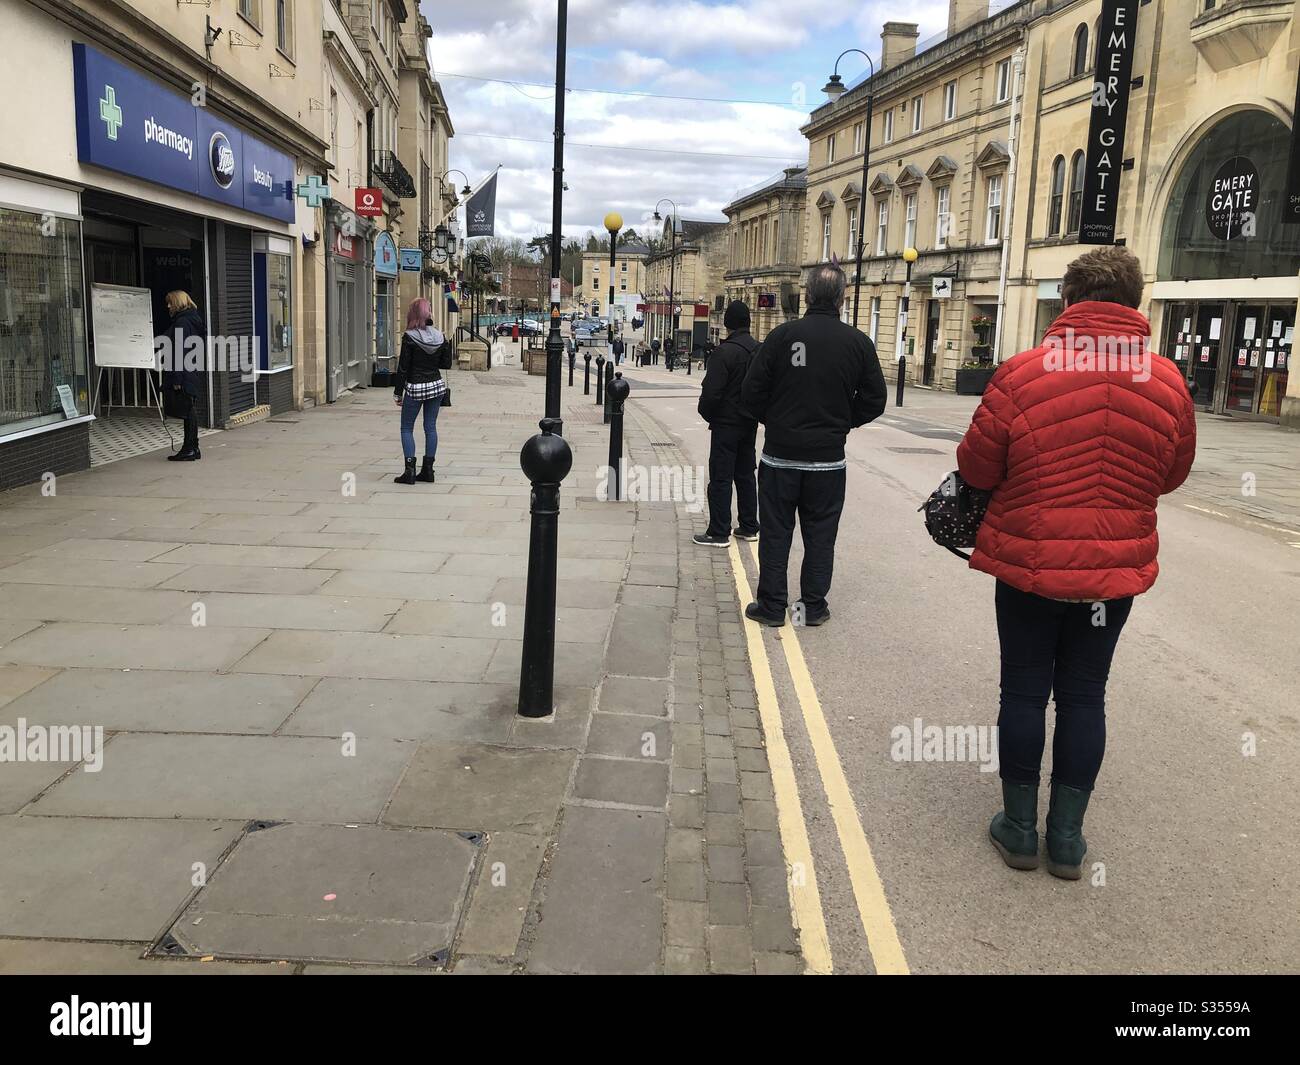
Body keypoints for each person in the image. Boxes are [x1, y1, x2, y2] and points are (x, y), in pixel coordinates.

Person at [956, 246, 1196, 880]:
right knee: (1086, 695)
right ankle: (1066, 838)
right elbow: (1171, 476)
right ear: (1136, 303)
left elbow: (977, 469)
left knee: (1025, 690)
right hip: (1110, 575)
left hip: (1030, 565)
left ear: (1067, 300)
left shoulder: (1021, 374)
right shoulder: (1169, 382)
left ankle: (1017, 829)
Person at [740, 262, 886, 627]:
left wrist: (775, 421)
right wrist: (842, 422)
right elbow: (875, 400)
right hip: (827, 462)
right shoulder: (858, 343)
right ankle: (811, 609)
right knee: (820, 537)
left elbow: (751, 392)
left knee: (776, 534)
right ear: (842, 297)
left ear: (806, 294)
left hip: (780, 457)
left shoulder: (781, 336)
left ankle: (772, 608)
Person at [693, 300, 759, 548]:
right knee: (745, 474)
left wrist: (710, 415)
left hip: (726, 424)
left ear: (727, 324)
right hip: (749, 423)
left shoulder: (724, 352)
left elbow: (711, 394)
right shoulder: (757, 350)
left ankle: (719, 531)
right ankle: (749, 526)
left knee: (721, 477)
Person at [392, 297, 451, 485]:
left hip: (415, 387)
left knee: (406, 428)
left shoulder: (409, 336)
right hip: (436, 386)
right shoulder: (440, 336)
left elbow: (403, 368)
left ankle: (409, 471)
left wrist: (397, 392)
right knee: (430, 426)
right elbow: (446, 363)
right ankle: (428, 471)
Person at [162, 290, 205, 462]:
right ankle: (193, 448)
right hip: (192, 368)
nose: (168, 306)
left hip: (184, 371)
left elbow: (179, 351)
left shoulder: (182, 322)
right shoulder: (194, 319)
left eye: (170, 302)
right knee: (190, 410)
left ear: (178, 303)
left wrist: (177, 379)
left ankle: (189, 448)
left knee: (188, 411)